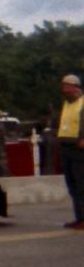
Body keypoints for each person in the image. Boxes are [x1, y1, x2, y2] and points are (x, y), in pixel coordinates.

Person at [57, 74, 84, 229]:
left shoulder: (82, 102)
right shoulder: (66, 104)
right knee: (72, 185)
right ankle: (79, 217)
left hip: (78, 148)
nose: (64, 89)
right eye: (63, 85)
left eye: (68, 85)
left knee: (81, 185)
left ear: (76, 87)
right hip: (66, 147)